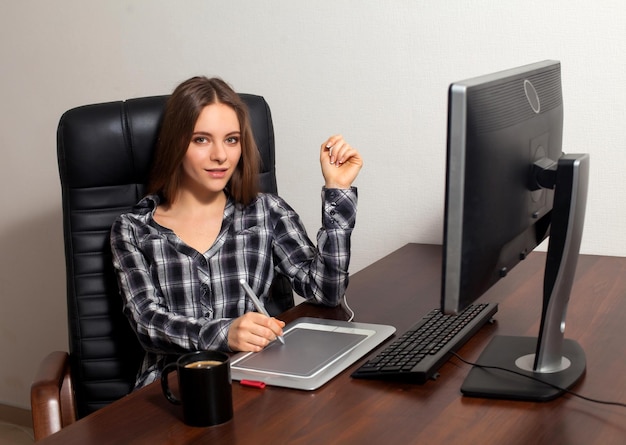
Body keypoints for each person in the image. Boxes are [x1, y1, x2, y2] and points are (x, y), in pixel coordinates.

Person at [110, 76, 363, 388]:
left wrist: (337, 190)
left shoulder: (267, 212)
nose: (221, 155)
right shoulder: (133, 230)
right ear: (175, 143)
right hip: (173, 389)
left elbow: (327, 292)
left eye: (231, 139)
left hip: (256, 379)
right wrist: (225, 333)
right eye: (201, 139)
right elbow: (147, 323)